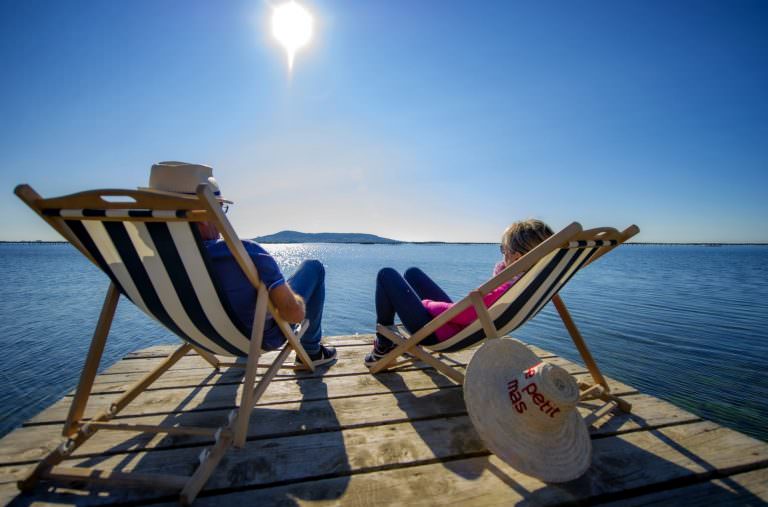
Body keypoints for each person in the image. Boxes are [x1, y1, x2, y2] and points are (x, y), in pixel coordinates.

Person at [147, 161, 336, 367]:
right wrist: (292, 298)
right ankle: (311, 351)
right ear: (202, 215)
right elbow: (294, 315)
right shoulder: (243, 253)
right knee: (312, 267)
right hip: (254, 338)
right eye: (219, 208)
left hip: (200, 335)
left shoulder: (144, 260)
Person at [365, 219, 554, 366]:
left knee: (386, 275)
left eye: (503, 249)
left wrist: (426, 305)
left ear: (517, 257)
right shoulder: (527, 282)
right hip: (455, 328)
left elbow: (465, 314)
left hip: (440, 333)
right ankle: (389, 342)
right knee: (412, 273)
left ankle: (385, 345)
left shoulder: (505, 288)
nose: (502, 255)